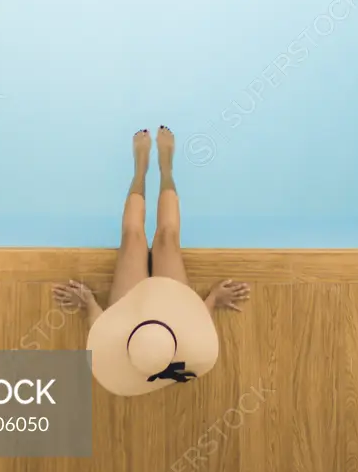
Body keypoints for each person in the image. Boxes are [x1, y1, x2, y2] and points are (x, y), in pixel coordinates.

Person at [53, 126, 250, 396]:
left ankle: (140, 169)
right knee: (167, 237)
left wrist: (87, 302)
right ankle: (166, 167)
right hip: (173, 313)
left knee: (133, 236)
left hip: (129, 313)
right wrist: (215, 297)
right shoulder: (184, 348)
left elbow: (101, 326)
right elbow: (198, 319)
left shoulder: (123, 348)